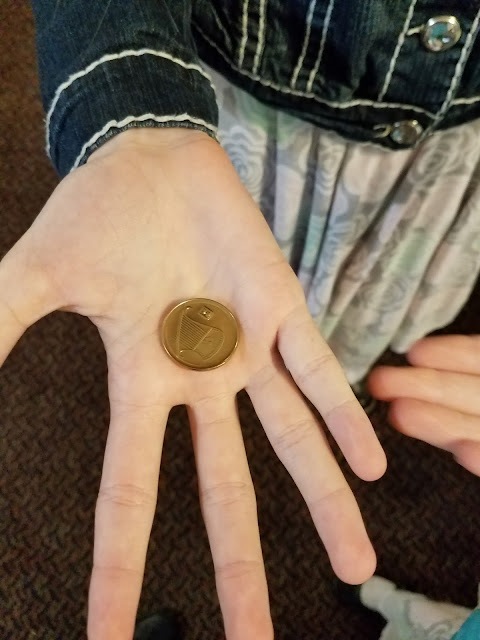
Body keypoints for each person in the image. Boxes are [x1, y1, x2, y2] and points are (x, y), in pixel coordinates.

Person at [1, 1, 479, 639]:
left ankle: (339, 364)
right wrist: (131, 115)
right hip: (243, 106)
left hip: (445, 151)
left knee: (328, 318)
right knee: (270, 278)